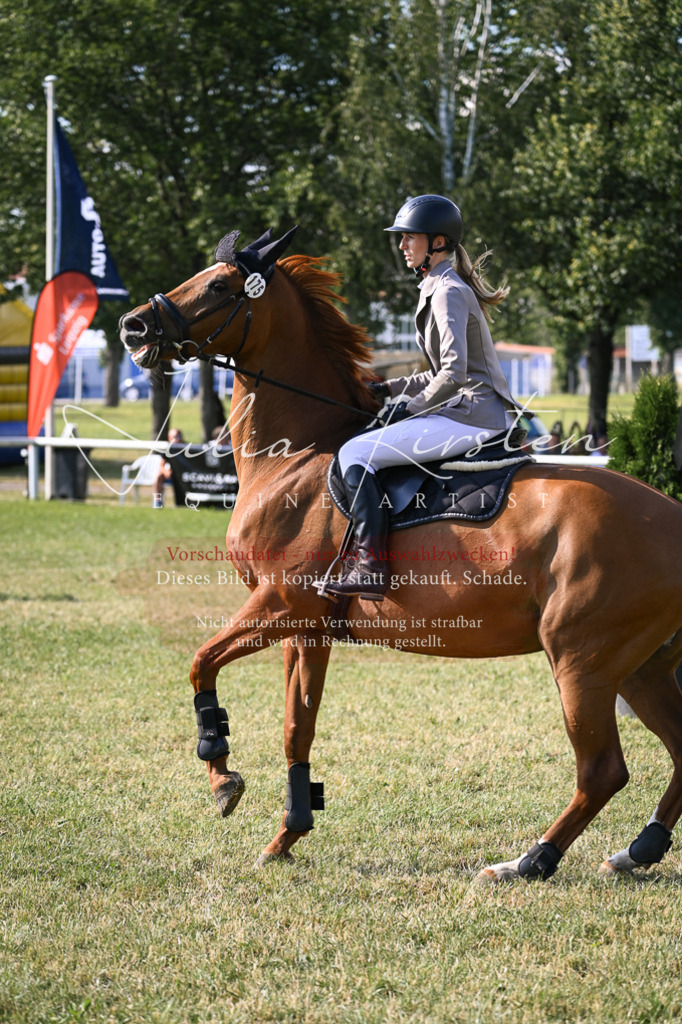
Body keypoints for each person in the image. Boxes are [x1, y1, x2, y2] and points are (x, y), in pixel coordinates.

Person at [325, 194, 524, 602]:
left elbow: (453, 373)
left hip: (474, 416)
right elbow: (437, 372)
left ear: (438, 242)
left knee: (355, 453)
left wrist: (409, 409)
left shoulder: (448, 290)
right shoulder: (436, 286)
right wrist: (388, 389)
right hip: (465, 410)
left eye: (409, 237)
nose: (401, 245)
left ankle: (370, 567)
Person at [153, 428, 184, 507]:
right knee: (159, 476)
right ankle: (158, 502)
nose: (177, 439)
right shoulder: (169, 450)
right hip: (172, 475)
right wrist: (166, 472)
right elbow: (161, 465)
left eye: (179, 436)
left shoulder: (187, 448)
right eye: (175, 437)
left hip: (183, 475)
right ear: (169, 438)